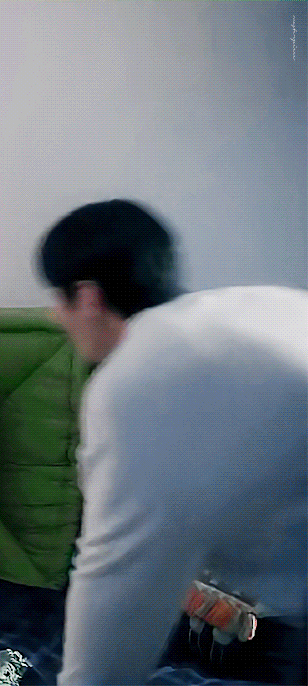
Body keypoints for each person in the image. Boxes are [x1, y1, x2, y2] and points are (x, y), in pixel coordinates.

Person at [36, 199, 307, 685]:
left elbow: (117, 575)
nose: (57, 316)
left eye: (60, 299)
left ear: (89, 298)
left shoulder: (141, 375)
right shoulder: (251, 307)